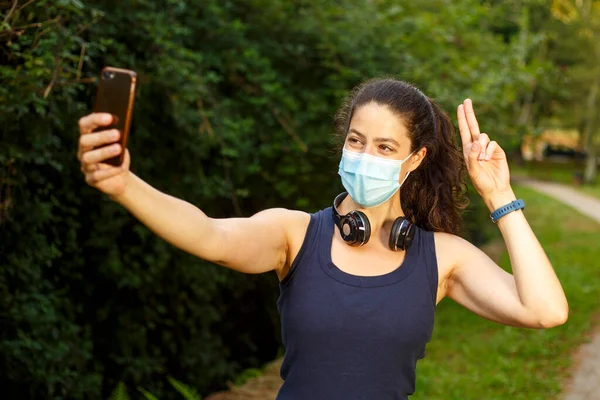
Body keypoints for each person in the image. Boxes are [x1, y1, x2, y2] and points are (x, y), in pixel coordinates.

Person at [77, 78, 568, 399]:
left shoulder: (442, 259)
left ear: (414, 160)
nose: (364, 155)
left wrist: (499, 196)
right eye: (356, 141)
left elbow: (545, 310)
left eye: (384, 147)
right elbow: (209, 234)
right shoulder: (295, 234)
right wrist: (125, 186)